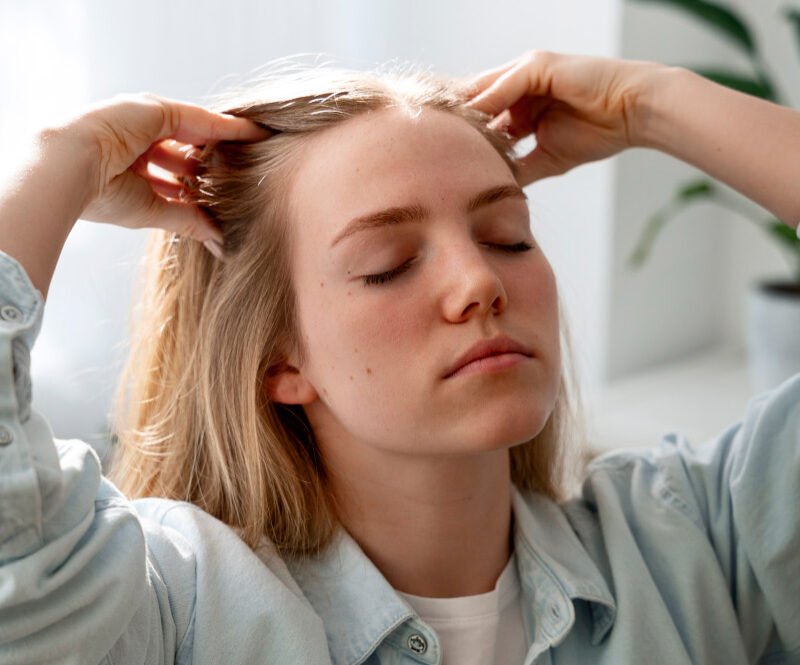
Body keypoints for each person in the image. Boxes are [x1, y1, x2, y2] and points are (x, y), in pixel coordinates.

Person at [0, 49, 798, 665]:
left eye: (508, 236)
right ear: (279, 360)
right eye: (388, 262)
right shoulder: (176, 606)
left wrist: (650, 103)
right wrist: (61, 158)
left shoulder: (691, 542)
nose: (480, 280)